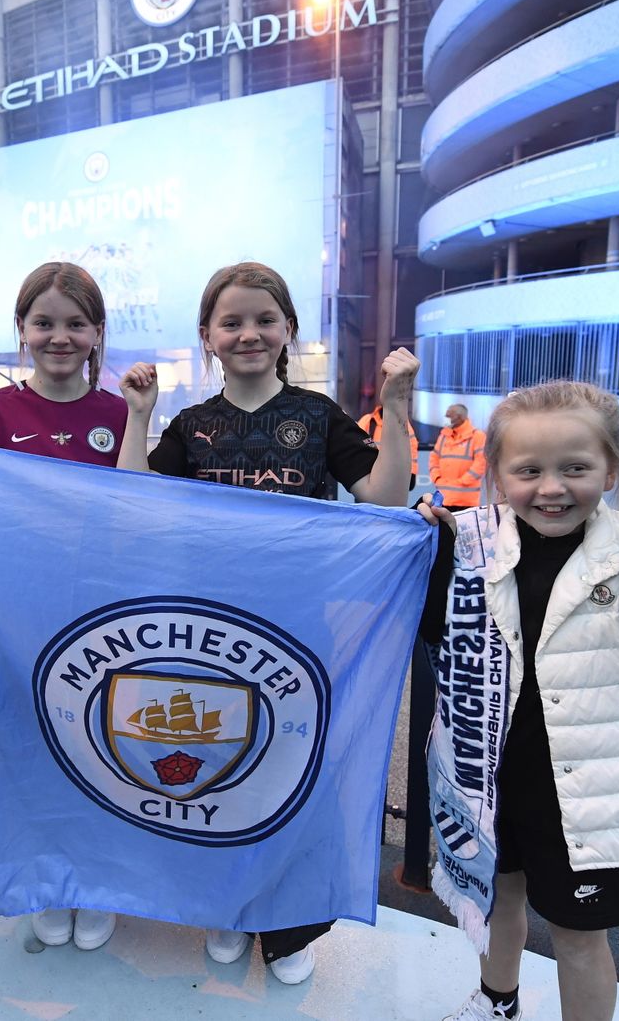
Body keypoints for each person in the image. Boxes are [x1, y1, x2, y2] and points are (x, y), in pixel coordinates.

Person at [116, 260, 419, 986]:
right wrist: (137, 417)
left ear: (288, 329)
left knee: (290, 771)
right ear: (207, 336)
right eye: (232, 321)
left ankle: (283, 922)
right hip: (209, 633)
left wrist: (399, 405)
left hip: (295, 634)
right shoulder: (192, 427)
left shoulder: (318, 418)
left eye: (263, 318)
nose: (248, 332)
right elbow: (132, 500)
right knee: (220, 767)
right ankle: (223, 904)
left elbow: (384, 495)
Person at [422, 381, 619, 1021]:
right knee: (497, 901)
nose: (551, 488)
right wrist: (436, 556)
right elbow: (435, 630)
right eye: (528, 471)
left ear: (612, 469)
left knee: (577, 936)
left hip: (585, 791)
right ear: (498, 475)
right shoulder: (475, 542)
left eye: (576, 468)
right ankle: (497, 1003)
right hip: (488, 773)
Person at [0, 260, 124, 952]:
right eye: (44, 322)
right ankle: (45, 880)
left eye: (75, 323)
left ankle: (94, 880)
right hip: (20, 619)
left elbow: (143, 516)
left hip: (104, 619)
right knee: (31, 754)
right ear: (22, 329)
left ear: (96, 333)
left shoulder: (119, 414)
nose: (59, 336)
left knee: (101, 752)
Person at [429, 402, 485, 508]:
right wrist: (436, 478)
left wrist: (463, 481)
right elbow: (434, 458)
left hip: (466, 501)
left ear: (460, 417)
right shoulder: (444, 436)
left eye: (450, 415)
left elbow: (481, 462)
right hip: (443, 500)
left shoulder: (477, 436)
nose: (446, 418)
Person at [358, 400, 419, 490]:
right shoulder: (367, 421)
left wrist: (411, 474)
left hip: (391, 481)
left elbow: (411, 450)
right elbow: (356, 444)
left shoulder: (402, 424)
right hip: (367, 480)